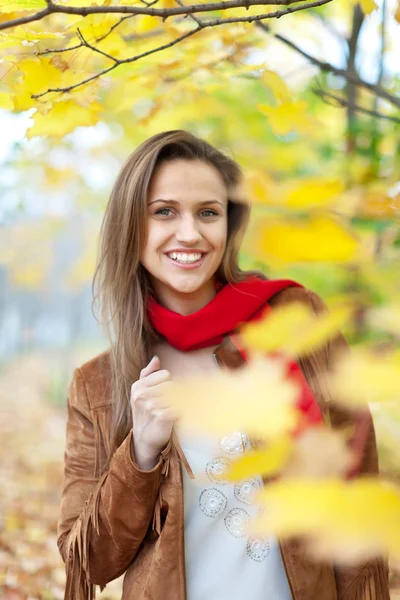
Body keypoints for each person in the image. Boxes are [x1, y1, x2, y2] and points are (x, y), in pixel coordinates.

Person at [57, 130, 390, 600]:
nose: (190, 233)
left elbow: (358, 486)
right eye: (164, 211)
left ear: (229, 226)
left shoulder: (295, 323)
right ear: (131, 227)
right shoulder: (99, 385)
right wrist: (141, 453)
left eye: (208, 213)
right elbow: (87, 561)